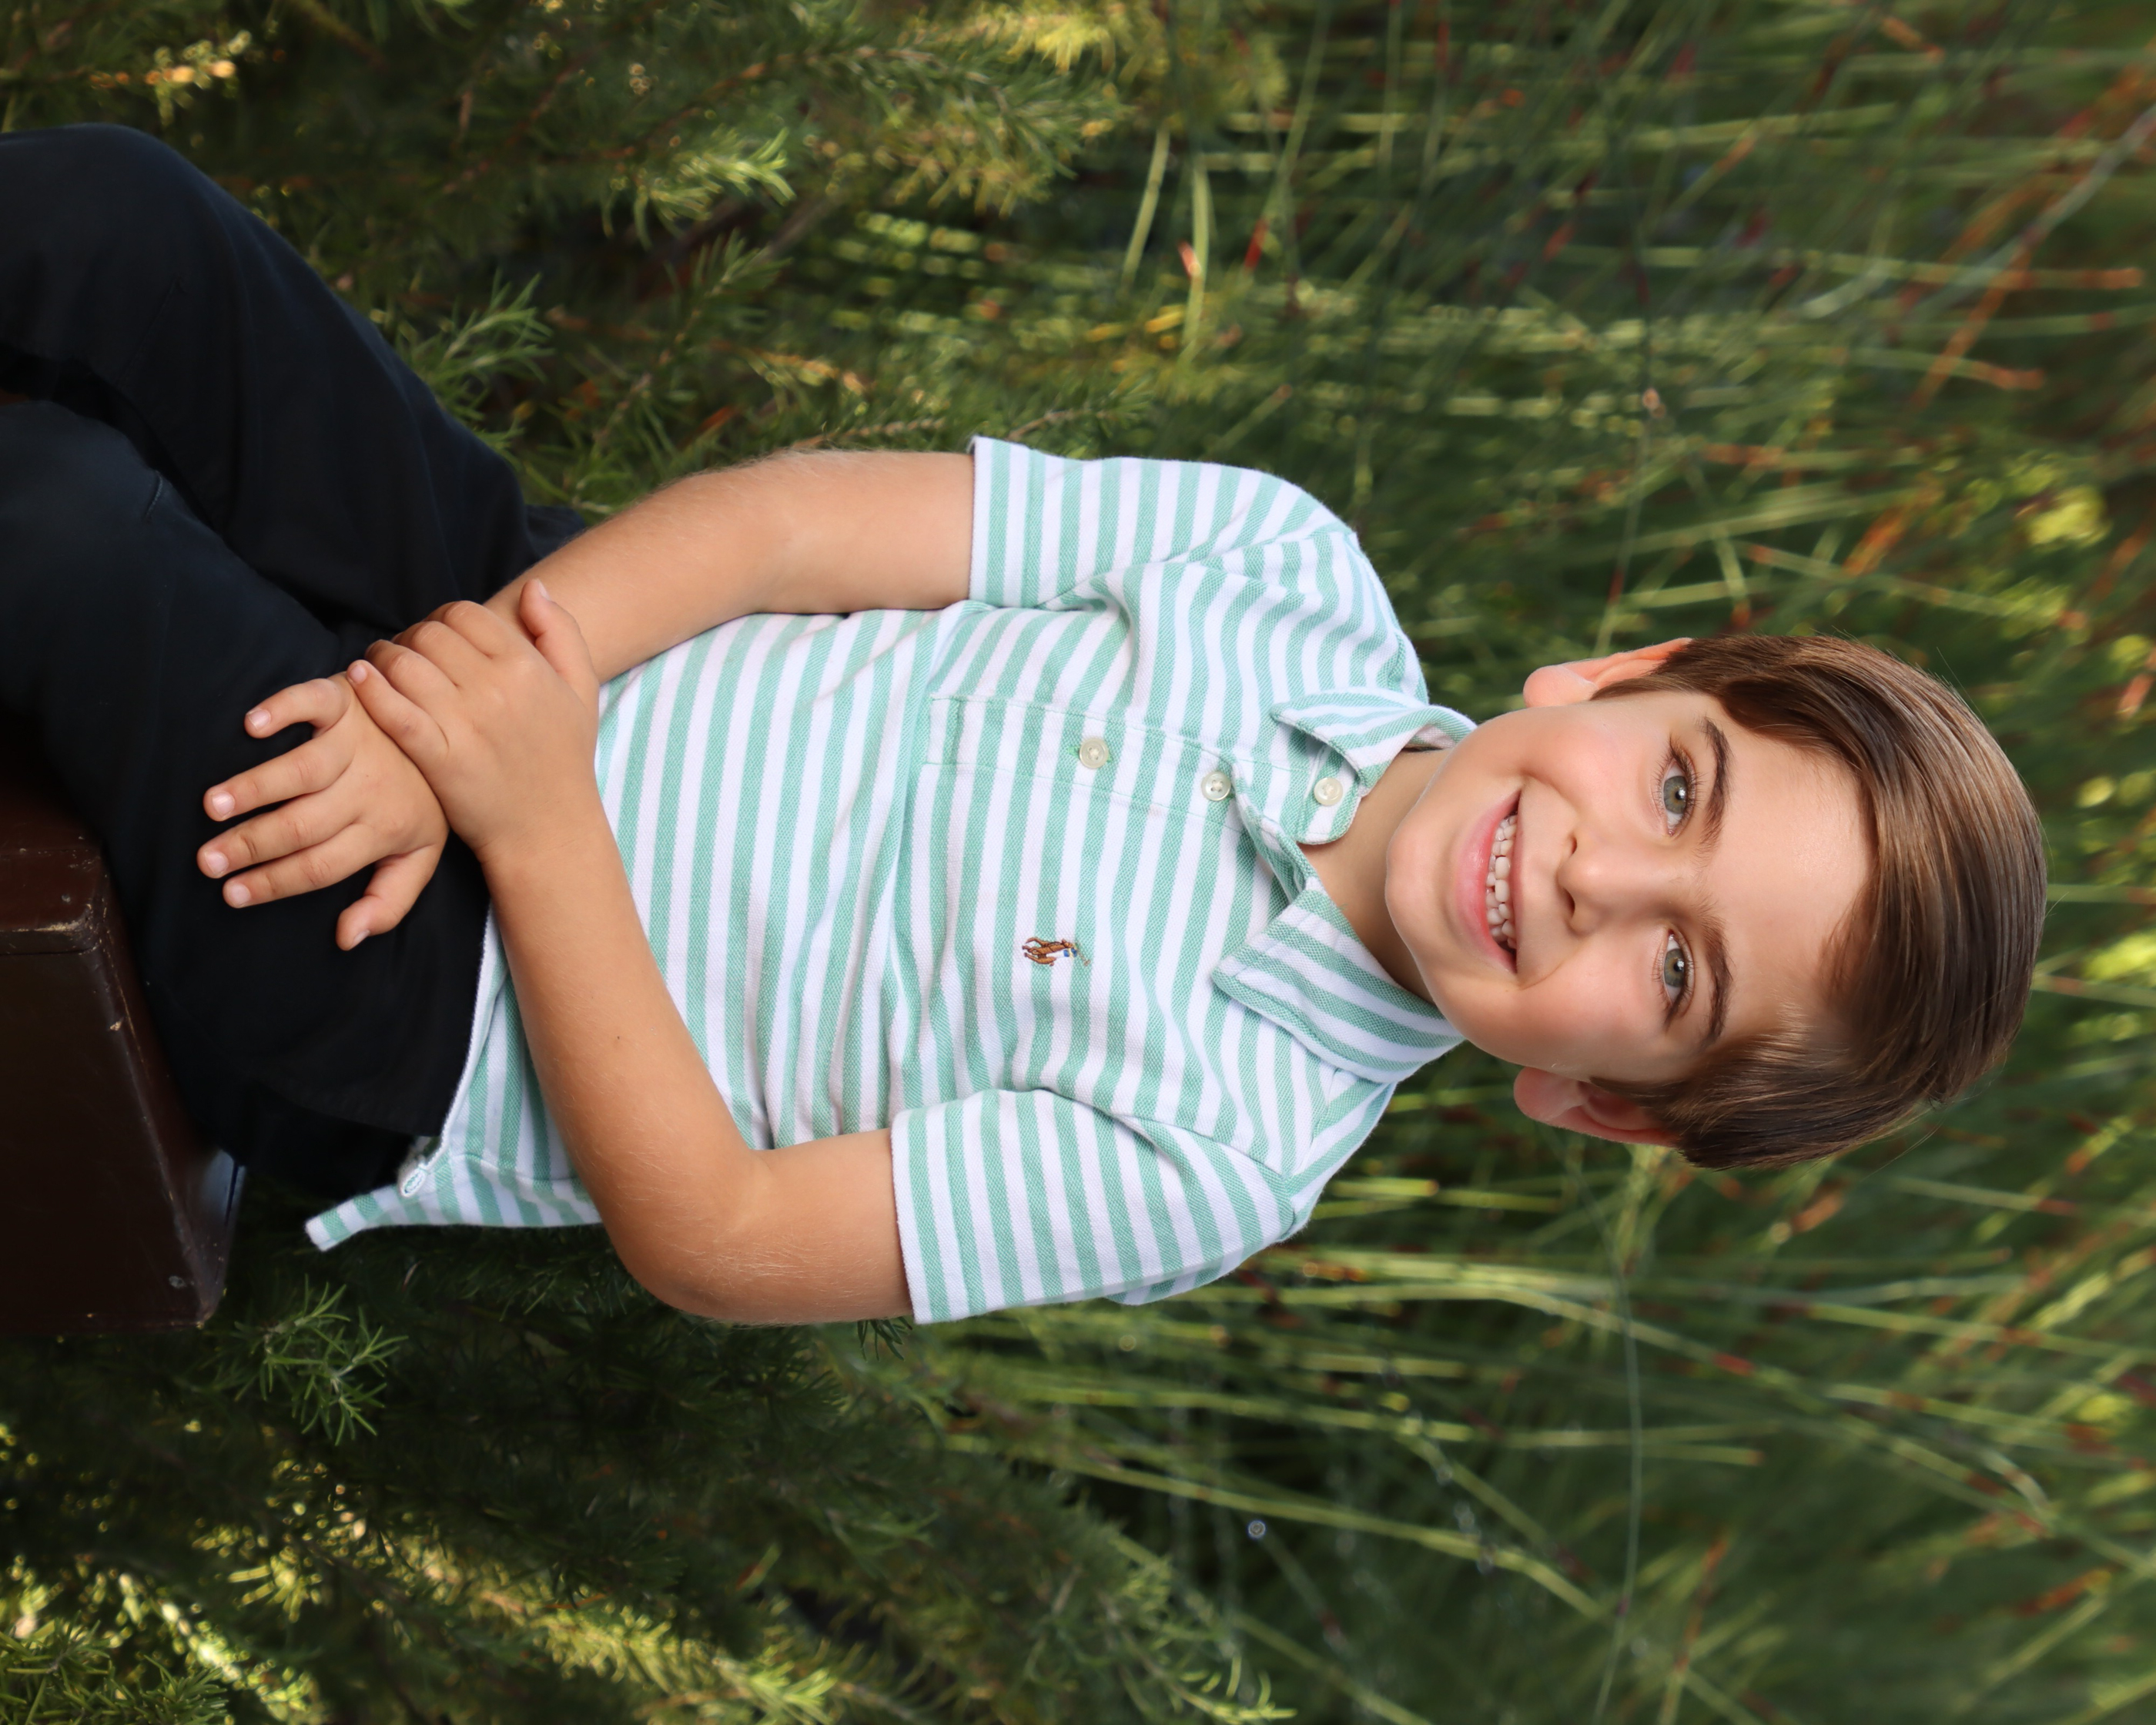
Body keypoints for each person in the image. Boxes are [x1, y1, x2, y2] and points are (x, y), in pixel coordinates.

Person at [0, 126, 2047, 1327]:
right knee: (113, 224)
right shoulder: (1281, 567)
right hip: (536, 614)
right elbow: (794, 527)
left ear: (1608, 1107)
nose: (1604, 876)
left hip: (431, 998)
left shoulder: (1221, 1153)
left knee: (62, 524)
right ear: (1623, 677)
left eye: (1678, 974)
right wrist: (508, 675)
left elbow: (717, 1236)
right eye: (1678, 786)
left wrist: (525, 816)